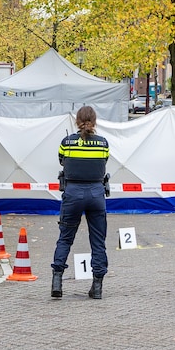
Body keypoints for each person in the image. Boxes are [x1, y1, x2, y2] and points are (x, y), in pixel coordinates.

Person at [50, 106, 110, 300]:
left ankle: (57, 282)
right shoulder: (103, 144)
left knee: (65, 238)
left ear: (77, 121)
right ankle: (97, 286)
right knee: (98, 241)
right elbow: (104, 162)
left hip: (73, 193)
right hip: (96, 194)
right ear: (95, 121)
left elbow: (61, 161)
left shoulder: (67, 142)